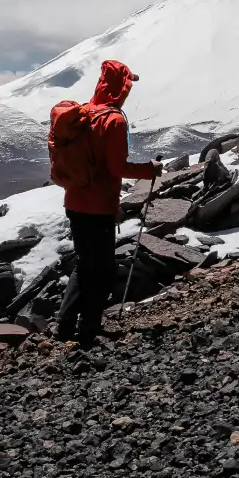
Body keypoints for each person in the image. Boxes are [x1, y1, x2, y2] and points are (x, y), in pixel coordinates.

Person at [54, 60, 161, 347]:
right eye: (127, 86)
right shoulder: (113, 120)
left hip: (75, 201)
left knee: (85, 263)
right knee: (101, 268)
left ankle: (64, 325)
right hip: (98, 206)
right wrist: (149, 169)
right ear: (120, 88)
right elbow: (117, 168)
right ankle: (89, 329)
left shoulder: (84, 113)